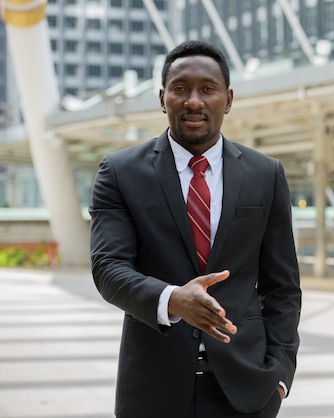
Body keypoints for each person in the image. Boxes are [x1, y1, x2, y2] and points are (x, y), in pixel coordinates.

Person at [89, 40, 301, 418]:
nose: (194, 101)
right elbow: (108, 268)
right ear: (162, 97)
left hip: (246, 391)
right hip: (152, 390)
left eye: (208, 89)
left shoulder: (265, 174)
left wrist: (280, 374)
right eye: (180, 88)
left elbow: (281, 285)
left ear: (228, 98)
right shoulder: (120, 172)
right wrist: (173, 299)